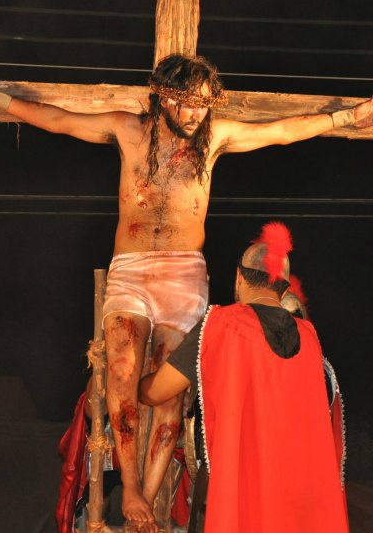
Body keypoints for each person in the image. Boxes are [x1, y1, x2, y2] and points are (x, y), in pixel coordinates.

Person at [0, 54, 373, 524]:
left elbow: (282, 130)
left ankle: (145, 499)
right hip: (132, 269)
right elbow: (59, 119)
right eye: (186, 104)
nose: (196, 114)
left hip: (184, 275)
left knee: (170, 393)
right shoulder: (128, 131)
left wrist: (348, 117)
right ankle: (132, 485)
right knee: (121, 366)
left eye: (203, 105)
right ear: (163, 96)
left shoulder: (214, 139)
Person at [139, 223, 349, 533]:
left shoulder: (222, 326)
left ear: (239, 277)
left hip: (245, 499)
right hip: (301, 508)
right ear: (285, 287)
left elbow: (156, 392)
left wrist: (136, 380)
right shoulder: (310, 340)